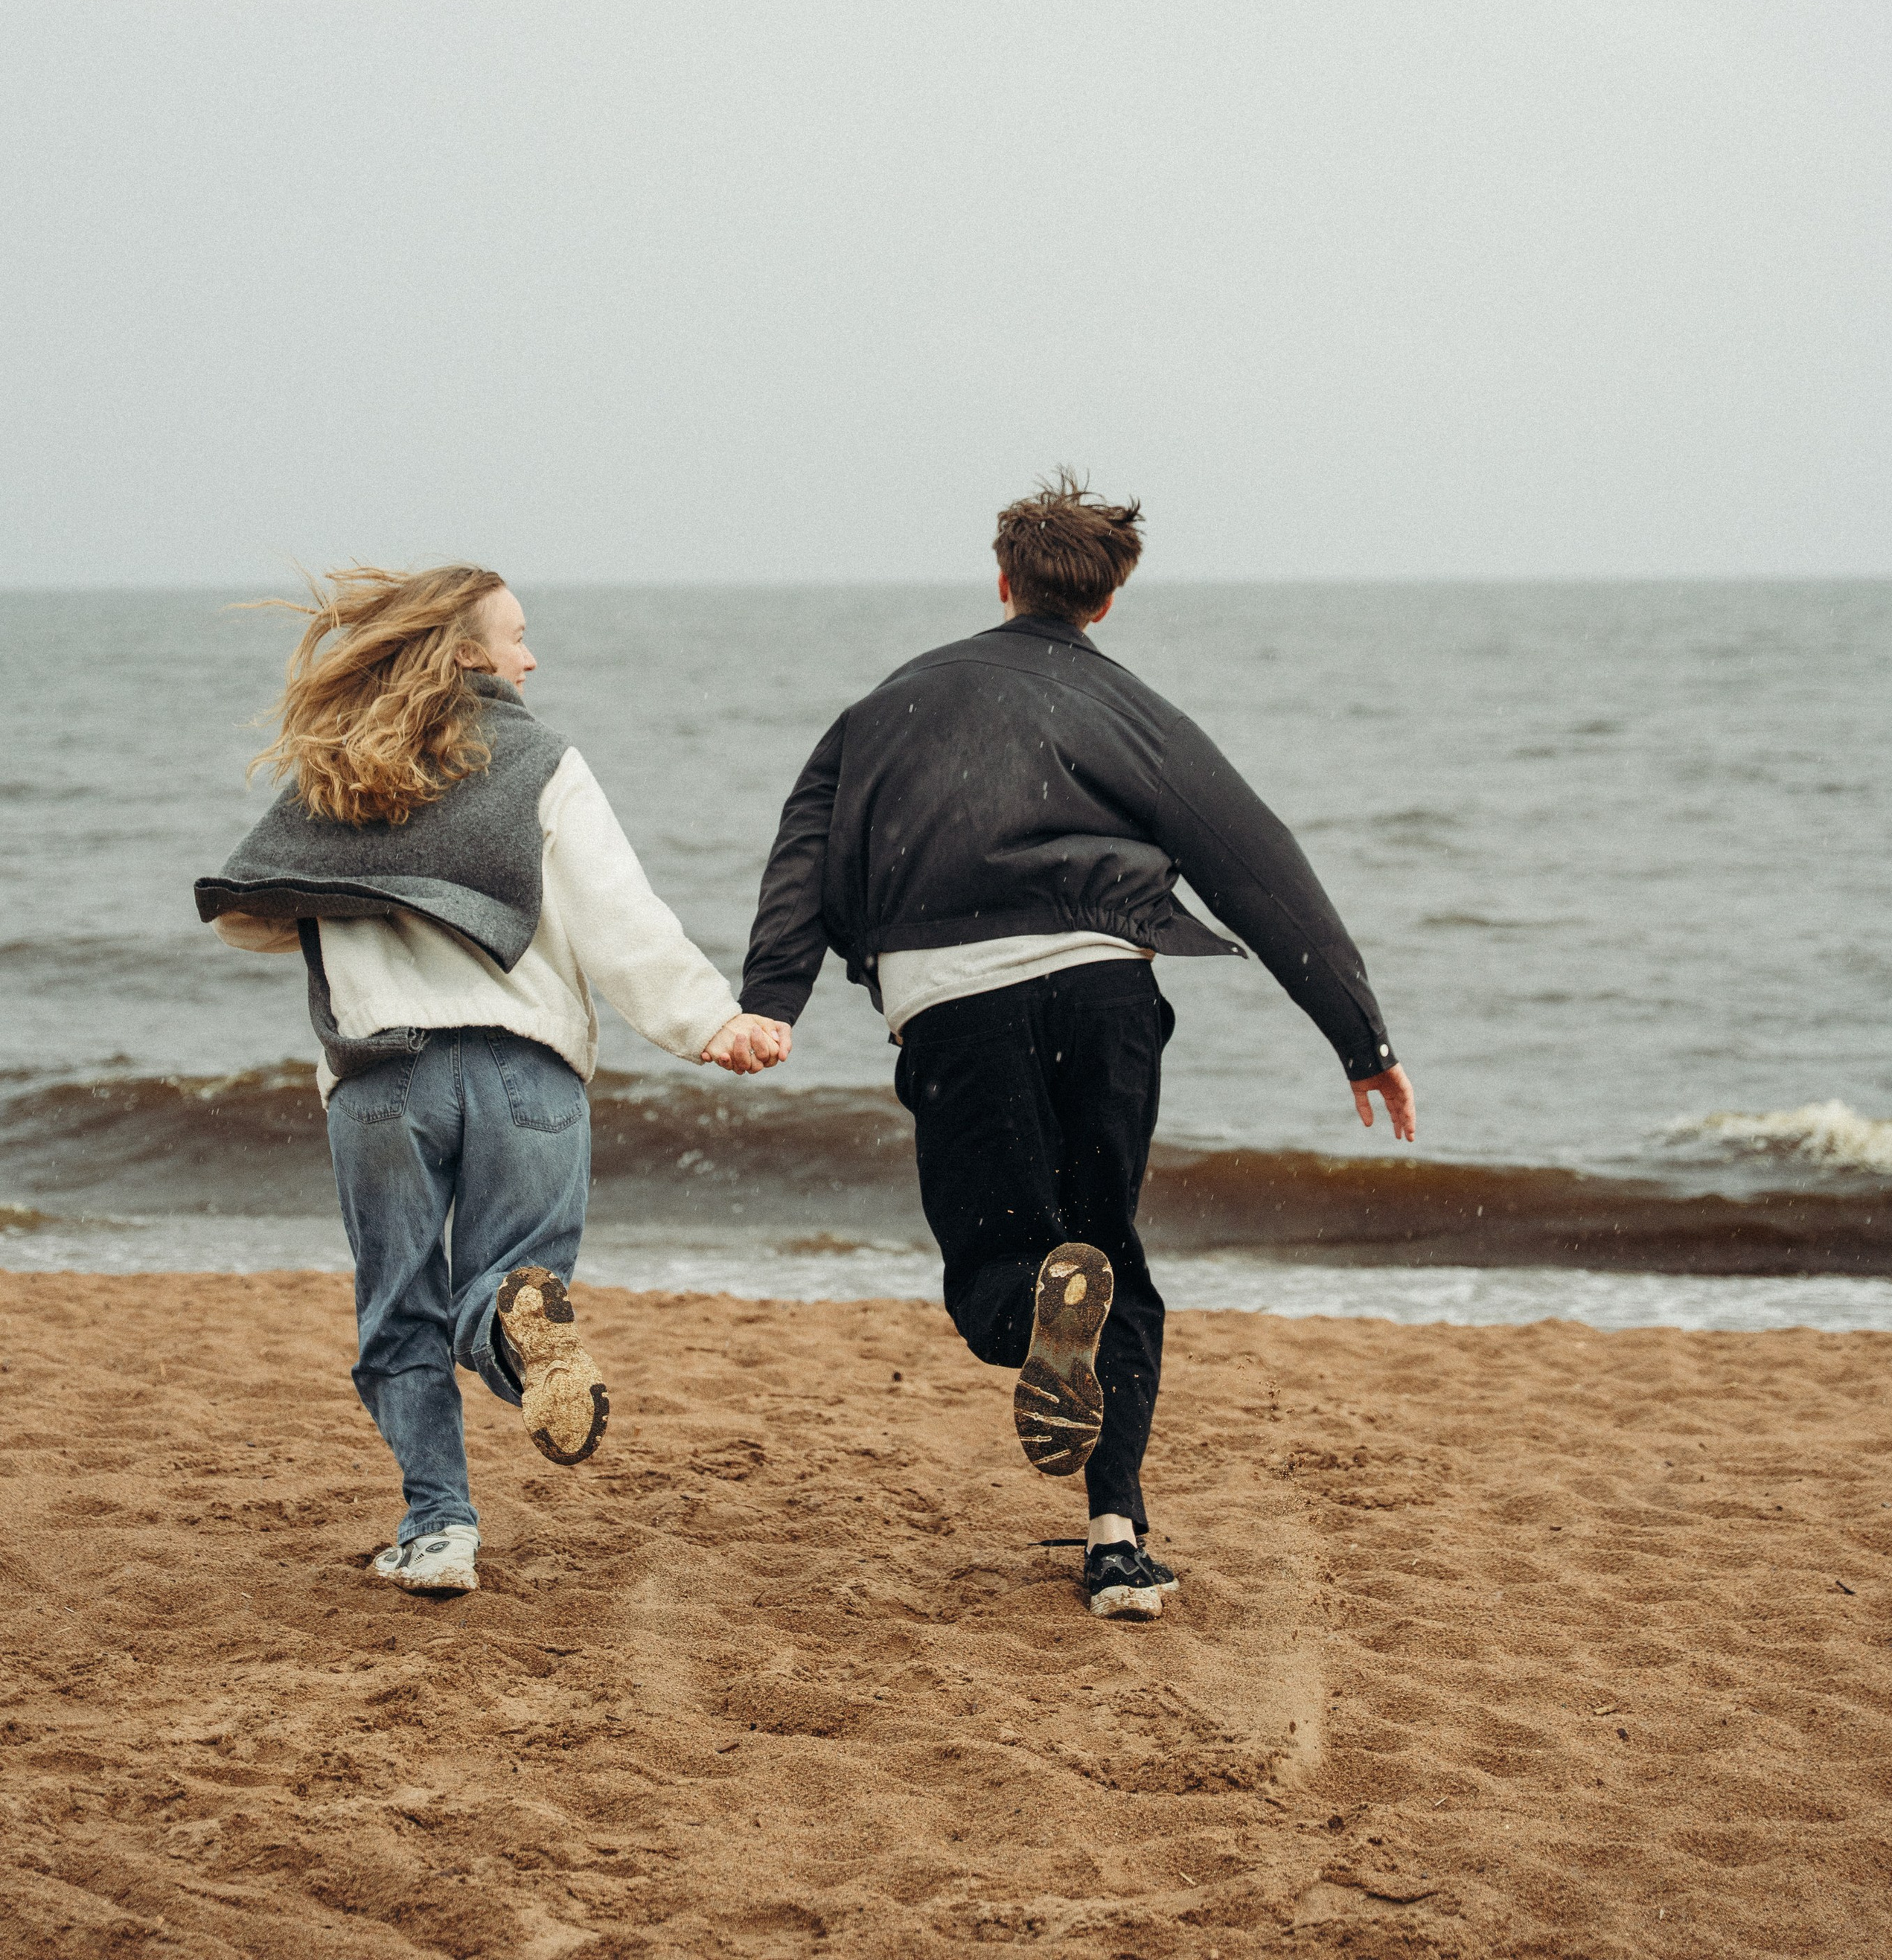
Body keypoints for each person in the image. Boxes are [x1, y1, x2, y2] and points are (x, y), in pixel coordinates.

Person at [738, 476, 1413, 1621]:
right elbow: (1254, 862)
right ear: (1107, 600)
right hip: (1106, 990)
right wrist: (1361, 1036)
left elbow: (804, 851)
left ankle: (1034, 1315)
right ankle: (1117, 1543)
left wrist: (772, 1000)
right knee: (1112, 1255)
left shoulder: (889, 703)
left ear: (1003, 581)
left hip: (955, 999)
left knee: (997, 1269)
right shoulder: (1132, 710)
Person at [196, 565, 790, 1597]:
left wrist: (361, 902)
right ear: (469, 651)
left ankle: (438, 1530)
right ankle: (513, 1319)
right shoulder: (541, 760)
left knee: (398, 1309)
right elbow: (619, 918)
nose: (532, 657)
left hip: (383, 1080)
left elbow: (250, 911)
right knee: (505, 1286)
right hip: (528, 1073)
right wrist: (709, 1022)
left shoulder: (340, 763)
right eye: (518, 636)